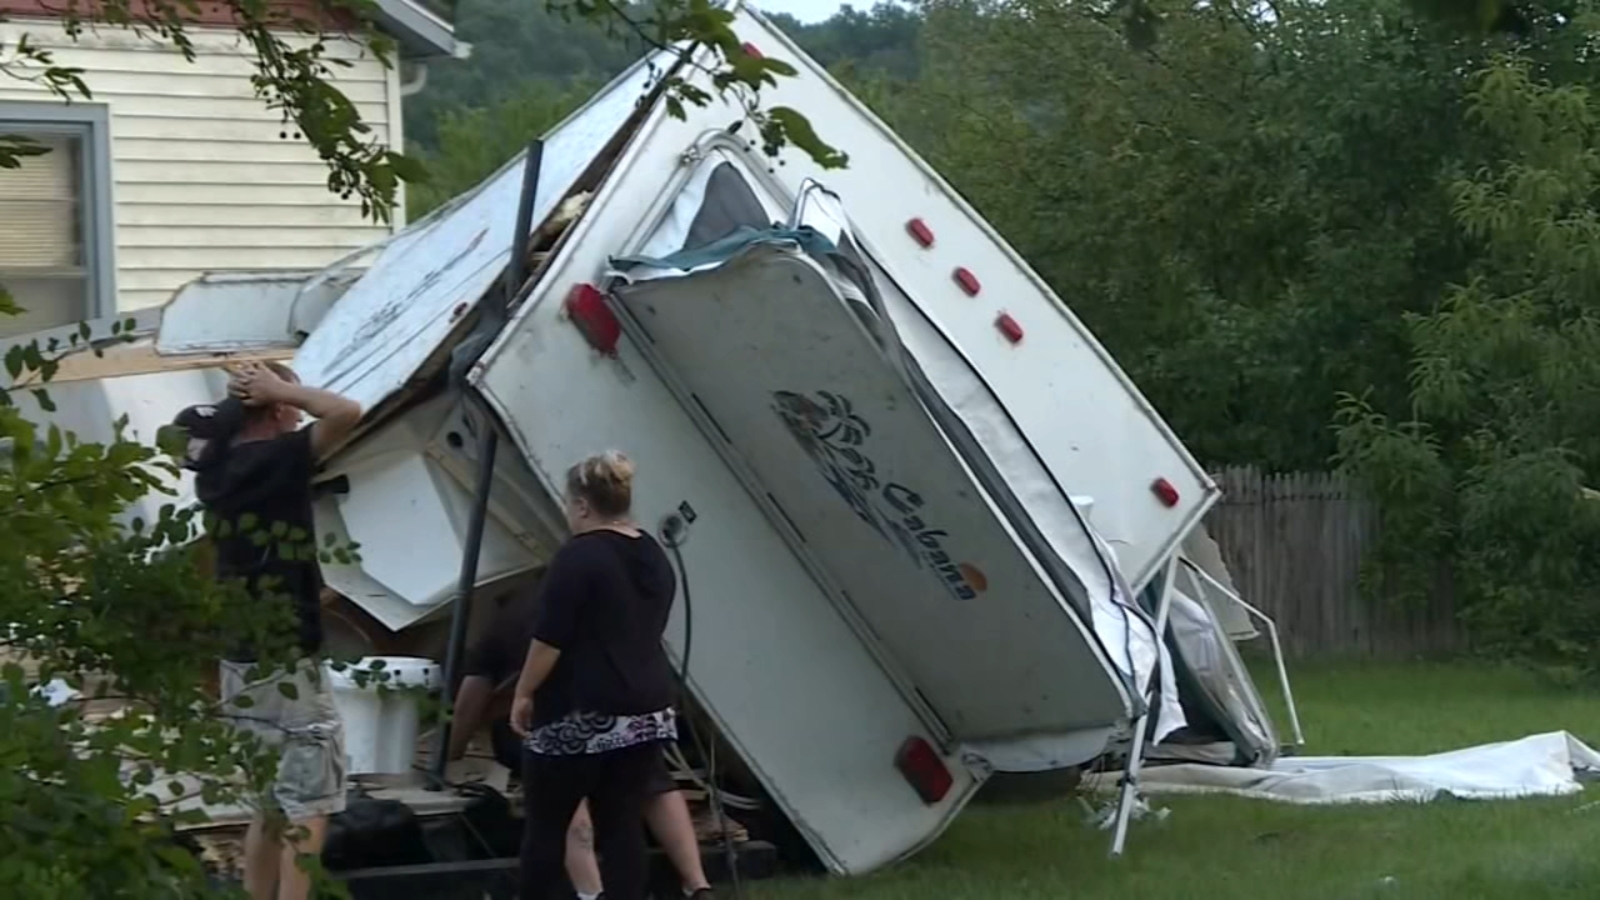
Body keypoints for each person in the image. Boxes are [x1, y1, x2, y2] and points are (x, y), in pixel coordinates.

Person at [173, 361, 362, 900]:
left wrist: (266, 393)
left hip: (240, 656)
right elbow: (347, 411)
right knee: (312, 802)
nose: (298, 413)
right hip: (287, 658)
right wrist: (282, 386)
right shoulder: (277, 458)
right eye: (291, 406)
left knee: (270, 802)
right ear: (278, 407)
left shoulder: (218, 472)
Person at [447, 578, 713, 900]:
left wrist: (454, 751)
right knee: (654, 784)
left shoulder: (505, 624)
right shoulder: (610, 606)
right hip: (623, 706)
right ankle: (698, 885)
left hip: (557, 717)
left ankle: (592, 891)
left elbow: (468, 704)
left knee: (564, 797)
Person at [510, 451, 681, 900]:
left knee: (547, 827)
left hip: (582, 712)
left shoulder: (578, 557)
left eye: (570, 505)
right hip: (648, 709)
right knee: (621, 823)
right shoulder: (653, 553)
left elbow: (550, 640)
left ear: (583, 506)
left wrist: (524, 692)